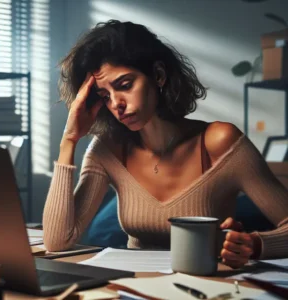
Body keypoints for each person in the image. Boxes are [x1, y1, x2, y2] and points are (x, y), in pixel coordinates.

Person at [43, 20, 288, 269]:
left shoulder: (219, 142)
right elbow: (57, 241)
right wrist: (69, 139)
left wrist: (255, 244)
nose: (116, 103)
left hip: (205, 287)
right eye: (105, 96)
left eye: (125, 85)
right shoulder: (109, 149)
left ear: (158, 75)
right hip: (132, 288)